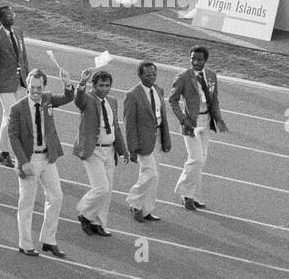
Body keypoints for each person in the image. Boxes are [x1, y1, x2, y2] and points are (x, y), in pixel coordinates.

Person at [8, 67, 77, 257]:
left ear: (44, 86)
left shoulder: (47, 100)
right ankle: (25, 243)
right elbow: (12, 137)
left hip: (48, 158)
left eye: (39, 87)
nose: (36, 91)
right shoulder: (17, 108)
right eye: (33, 87)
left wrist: (67, 83)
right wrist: (23, 162)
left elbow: (67, 98)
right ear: (27, 86)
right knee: (27, 203)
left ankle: (48, 239)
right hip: (29, 159)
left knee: (56, 197)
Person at [168, 45, 228, 212]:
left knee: (202, 159)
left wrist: (219, 119)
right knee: (196, 159)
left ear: (205, 60)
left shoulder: (211, 76)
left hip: (206, 120)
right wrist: (183, 120)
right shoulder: (183, 77)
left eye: (199, 59)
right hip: (191, 123)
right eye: (193, 58)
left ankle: (193, 195)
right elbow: (172, 100)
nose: (195, 62)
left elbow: (214, 99)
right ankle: (185, 193)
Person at [73, 68, 127, 237]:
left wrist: (122, 150)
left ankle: (98, 223)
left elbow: (115, 127)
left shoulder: (112, 101)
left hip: (109, 151)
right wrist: (82, 82)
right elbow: (78, 100)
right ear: (94, 85)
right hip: (93, 150)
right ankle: (84, 213)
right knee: (101, 188)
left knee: (108, 190)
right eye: (101, 85)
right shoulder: (87, 99)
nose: (105, 88)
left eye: (108, 85)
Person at [123, 61, 172, 223]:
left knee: (154, 177)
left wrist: (165, 138)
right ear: (140, 75)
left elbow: (162, 116)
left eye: (154, 74)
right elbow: (129, 124)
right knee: (150, 173)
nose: (152, 77)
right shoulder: (132, 95)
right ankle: (134, 202)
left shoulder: (158, 90)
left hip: (157, 137)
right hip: (143, 141)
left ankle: (146, 209)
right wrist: (132, 149)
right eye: (148, 74)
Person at [0, 5, 29, 168]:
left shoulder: (18, 32)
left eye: (12, 14)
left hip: (21, 82)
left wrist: (29, 78)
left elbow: (24, 57)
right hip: (5, 84)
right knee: (10, 117)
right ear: (0, 19)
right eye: (8, 15)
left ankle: (1, 149)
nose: (11, 16)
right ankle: (3, 151)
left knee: (13, 117)